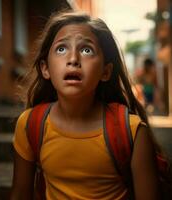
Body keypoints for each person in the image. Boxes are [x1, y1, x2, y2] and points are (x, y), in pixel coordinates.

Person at [10, 10, 160, 200]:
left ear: (105, 72)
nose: (73, 60)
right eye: (61, 49)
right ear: (45, 68)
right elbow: (20, 193)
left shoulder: (132, 131)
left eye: (86, 50)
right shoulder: (31, 124)